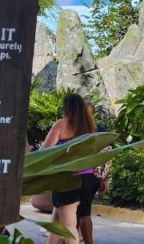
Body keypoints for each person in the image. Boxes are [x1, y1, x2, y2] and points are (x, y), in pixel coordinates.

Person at [42, 93, 98, 244]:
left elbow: (46, 149)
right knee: (57, 221)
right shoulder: (89, 126)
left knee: (68, 225)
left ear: (66, 108)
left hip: (66, 178)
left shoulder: (62, 124)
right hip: (87, 177)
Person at [77, 101, 106, 244]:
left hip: (80, 175)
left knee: (78, 213)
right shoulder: (101, 130)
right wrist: (104, 178)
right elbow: (108, 156)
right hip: (95, 176)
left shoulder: (79, 128)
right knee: (84, 211)